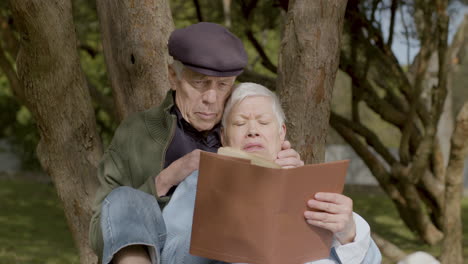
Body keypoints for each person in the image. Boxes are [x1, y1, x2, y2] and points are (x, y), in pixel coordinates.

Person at [89, 22, 303, 264]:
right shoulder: (138, 132)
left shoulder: (244, 127)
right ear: (173, 77)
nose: (211, 98)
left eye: (223, 85)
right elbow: (100, 232)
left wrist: (290, 175)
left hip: (228, 252)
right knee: (123, 198)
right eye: (200, 83)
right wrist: (167, 178)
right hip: (158, 253)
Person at [161, 82, 382, 264]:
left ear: (281, 133)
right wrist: (216, 230)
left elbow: (371, 259)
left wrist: (349, 233)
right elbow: (168, 254)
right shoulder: (200, 181)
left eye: (264, 122)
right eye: (240, 123)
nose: (253, 131)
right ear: (224, 136)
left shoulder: (311, 186)